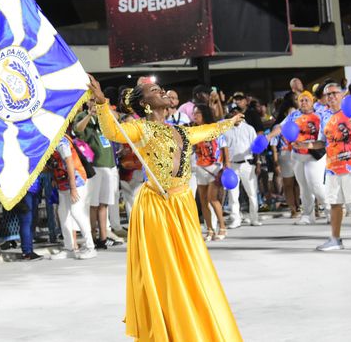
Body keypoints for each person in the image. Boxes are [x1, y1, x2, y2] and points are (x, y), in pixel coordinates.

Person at [88, 76, 243, 342]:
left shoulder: (180, 130)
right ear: (145, 103)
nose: (160, 91)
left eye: (159, 88)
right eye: (153, 90)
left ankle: (192, 320)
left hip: (182, 205)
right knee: (166, 270)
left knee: (191, 266)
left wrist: (230, 122)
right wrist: (102, 103)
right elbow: (113, 132)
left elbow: (206, 131)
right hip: (157, 207)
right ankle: (169, 328)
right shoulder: (140, 128)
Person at [309, 83, 351, 251]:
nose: (331, 96)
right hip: (333, 167)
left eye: (334, 93)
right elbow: (322, 141)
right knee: (334, 203)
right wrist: (306, 144)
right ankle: (335, 240)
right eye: (328, 94)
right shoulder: (324, 116)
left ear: (342, 94)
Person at [269, 91, 329, 225]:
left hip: (315, 154)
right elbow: (280, 127)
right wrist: (269, 136)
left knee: (316, 185)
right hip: (297, 154)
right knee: (303, 186)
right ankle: (308, 215)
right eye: (301, 100)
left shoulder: (321, 114)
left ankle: (330, 210)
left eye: (307, 100)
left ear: (312, 101)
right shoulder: (294, 115)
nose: (304, 102)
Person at [73, 97, 121, 249]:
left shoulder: (103, 115)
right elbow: (77, 130)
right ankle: (92, 236)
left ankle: (103, 237)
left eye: (96, 100)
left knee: (104, 204)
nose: (94, 103)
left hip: (109, 164)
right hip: (95, 166)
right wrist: (89, 115)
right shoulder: (82, 115)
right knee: (93, 204)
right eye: (91, 100)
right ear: (87, 102)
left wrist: (103, 108)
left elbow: (117, 117)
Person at [49, 135, 97, 260]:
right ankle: (69, 247)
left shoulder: (60, 141)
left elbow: (69, 162)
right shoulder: (48, 140)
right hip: (62, 183)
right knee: (63, 214)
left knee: (77, 212)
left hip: (76, 180)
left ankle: (90, 247)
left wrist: (73, 188)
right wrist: (54, 178)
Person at [192, 105, 230, 241]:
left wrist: (227, 165)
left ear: (204, 114)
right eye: (193, 113)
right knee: (203, 201)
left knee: (213, 199)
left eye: (197, 113)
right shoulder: (194, 131)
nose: (194, 115)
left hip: (215, 167)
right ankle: (209, 230)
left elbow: (224, 147)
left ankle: (223, 227)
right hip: (200, 168)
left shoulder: (214, 129)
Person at [225, 108, 263, 228]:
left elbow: (256, 147)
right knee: (233, 194)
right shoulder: (226, 130)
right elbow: (223, 149)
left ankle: (254, 218)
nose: (235, 116)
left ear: (241, 116)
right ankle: (236, 219)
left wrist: (258, 163)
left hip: (247, 164)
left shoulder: (249, 129)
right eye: (232, 114)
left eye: (237, 114)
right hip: (232, 165)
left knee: (252, 192)